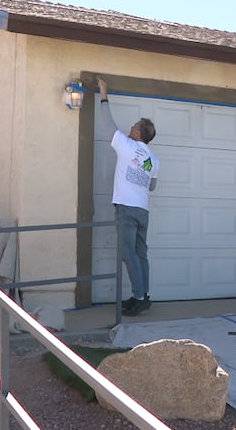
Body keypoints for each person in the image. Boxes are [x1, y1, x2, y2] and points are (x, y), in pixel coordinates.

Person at [98, 78, 160, 316]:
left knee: (128, 254)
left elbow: (107, 122)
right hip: (142, 210)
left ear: (137, 132)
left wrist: (104, 94)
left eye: (133, 125)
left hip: (126, 209)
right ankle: (143, 295)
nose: (130, 127)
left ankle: (139, 297)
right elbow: (152, 186)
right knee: (140, 253)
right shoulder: (154, 159)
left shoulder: (126, 145)